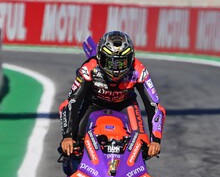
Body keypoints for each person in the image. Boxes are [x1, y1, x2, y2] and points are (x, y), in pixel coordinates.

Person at [59, 30, 165, 158]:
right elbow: (72, 101)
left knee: (142, 144)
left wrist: (155, 140)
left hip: (126, 105)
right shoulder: (89, 68)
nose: (116, 69)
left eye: (121, 62)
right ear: (100, 57)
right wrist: (67, 136)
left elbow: (153, 104)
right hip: (93, 104)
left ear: (131, 59)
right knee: (74, 142)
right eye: (110, 62)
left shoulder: (139, 70)